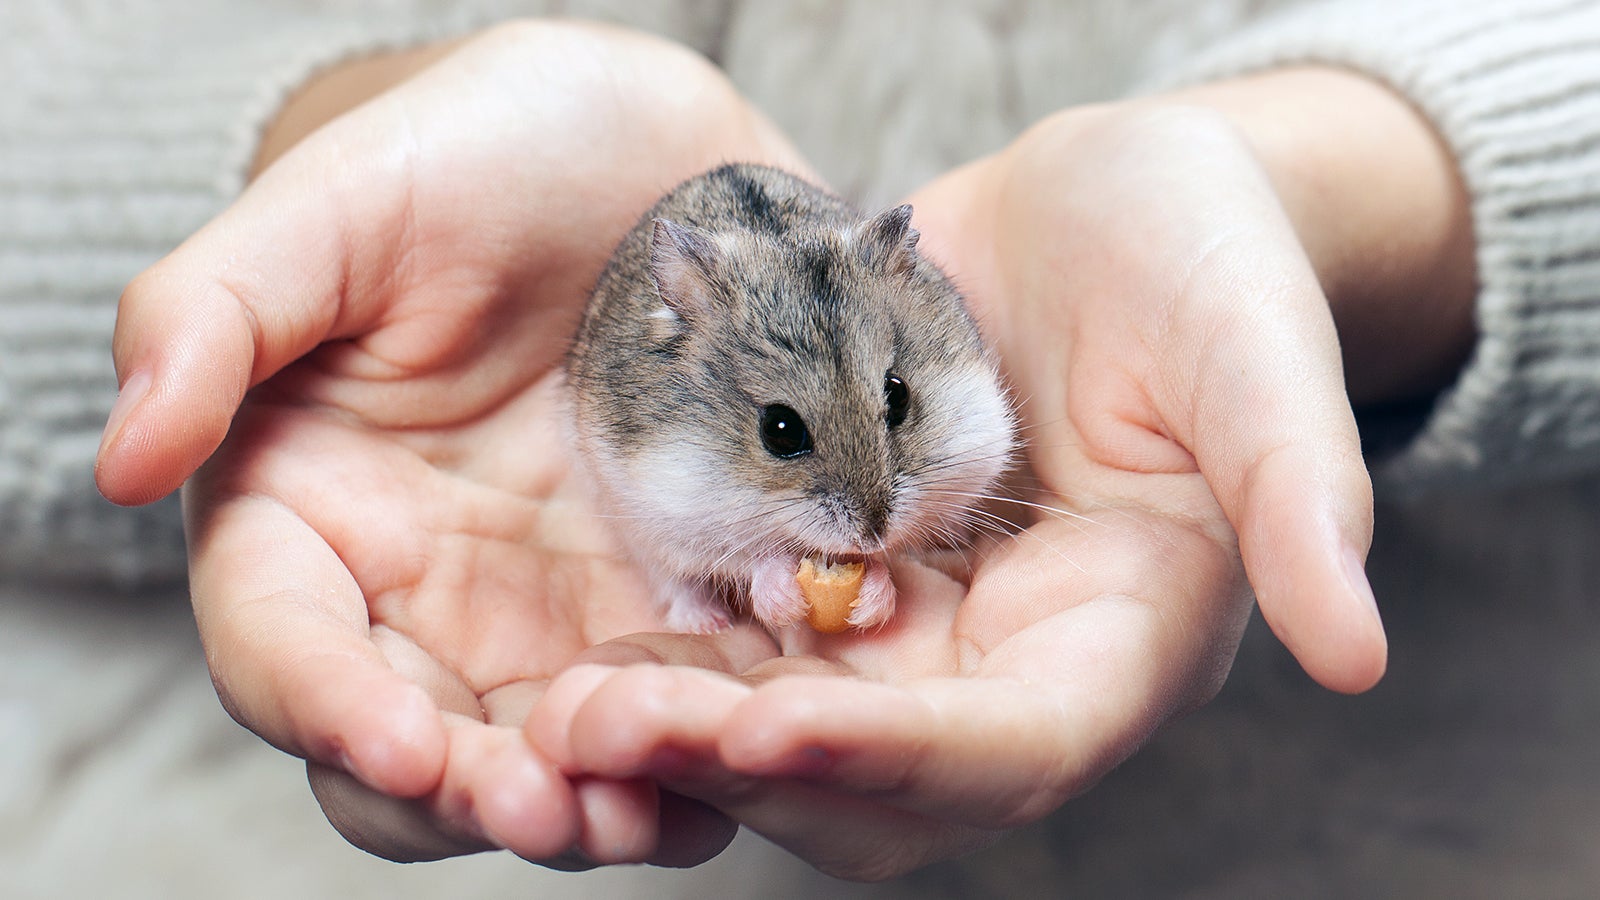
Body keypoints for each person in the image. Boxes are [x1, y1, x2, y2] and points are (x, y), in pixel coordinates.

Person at [13, 0, 1593, 886]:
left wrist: (1342, 206)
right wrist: (331, 146)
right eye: (788, 440)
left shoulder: (926, 338)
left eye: (896, 420)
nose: (870, 504)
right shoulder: (647, 385)